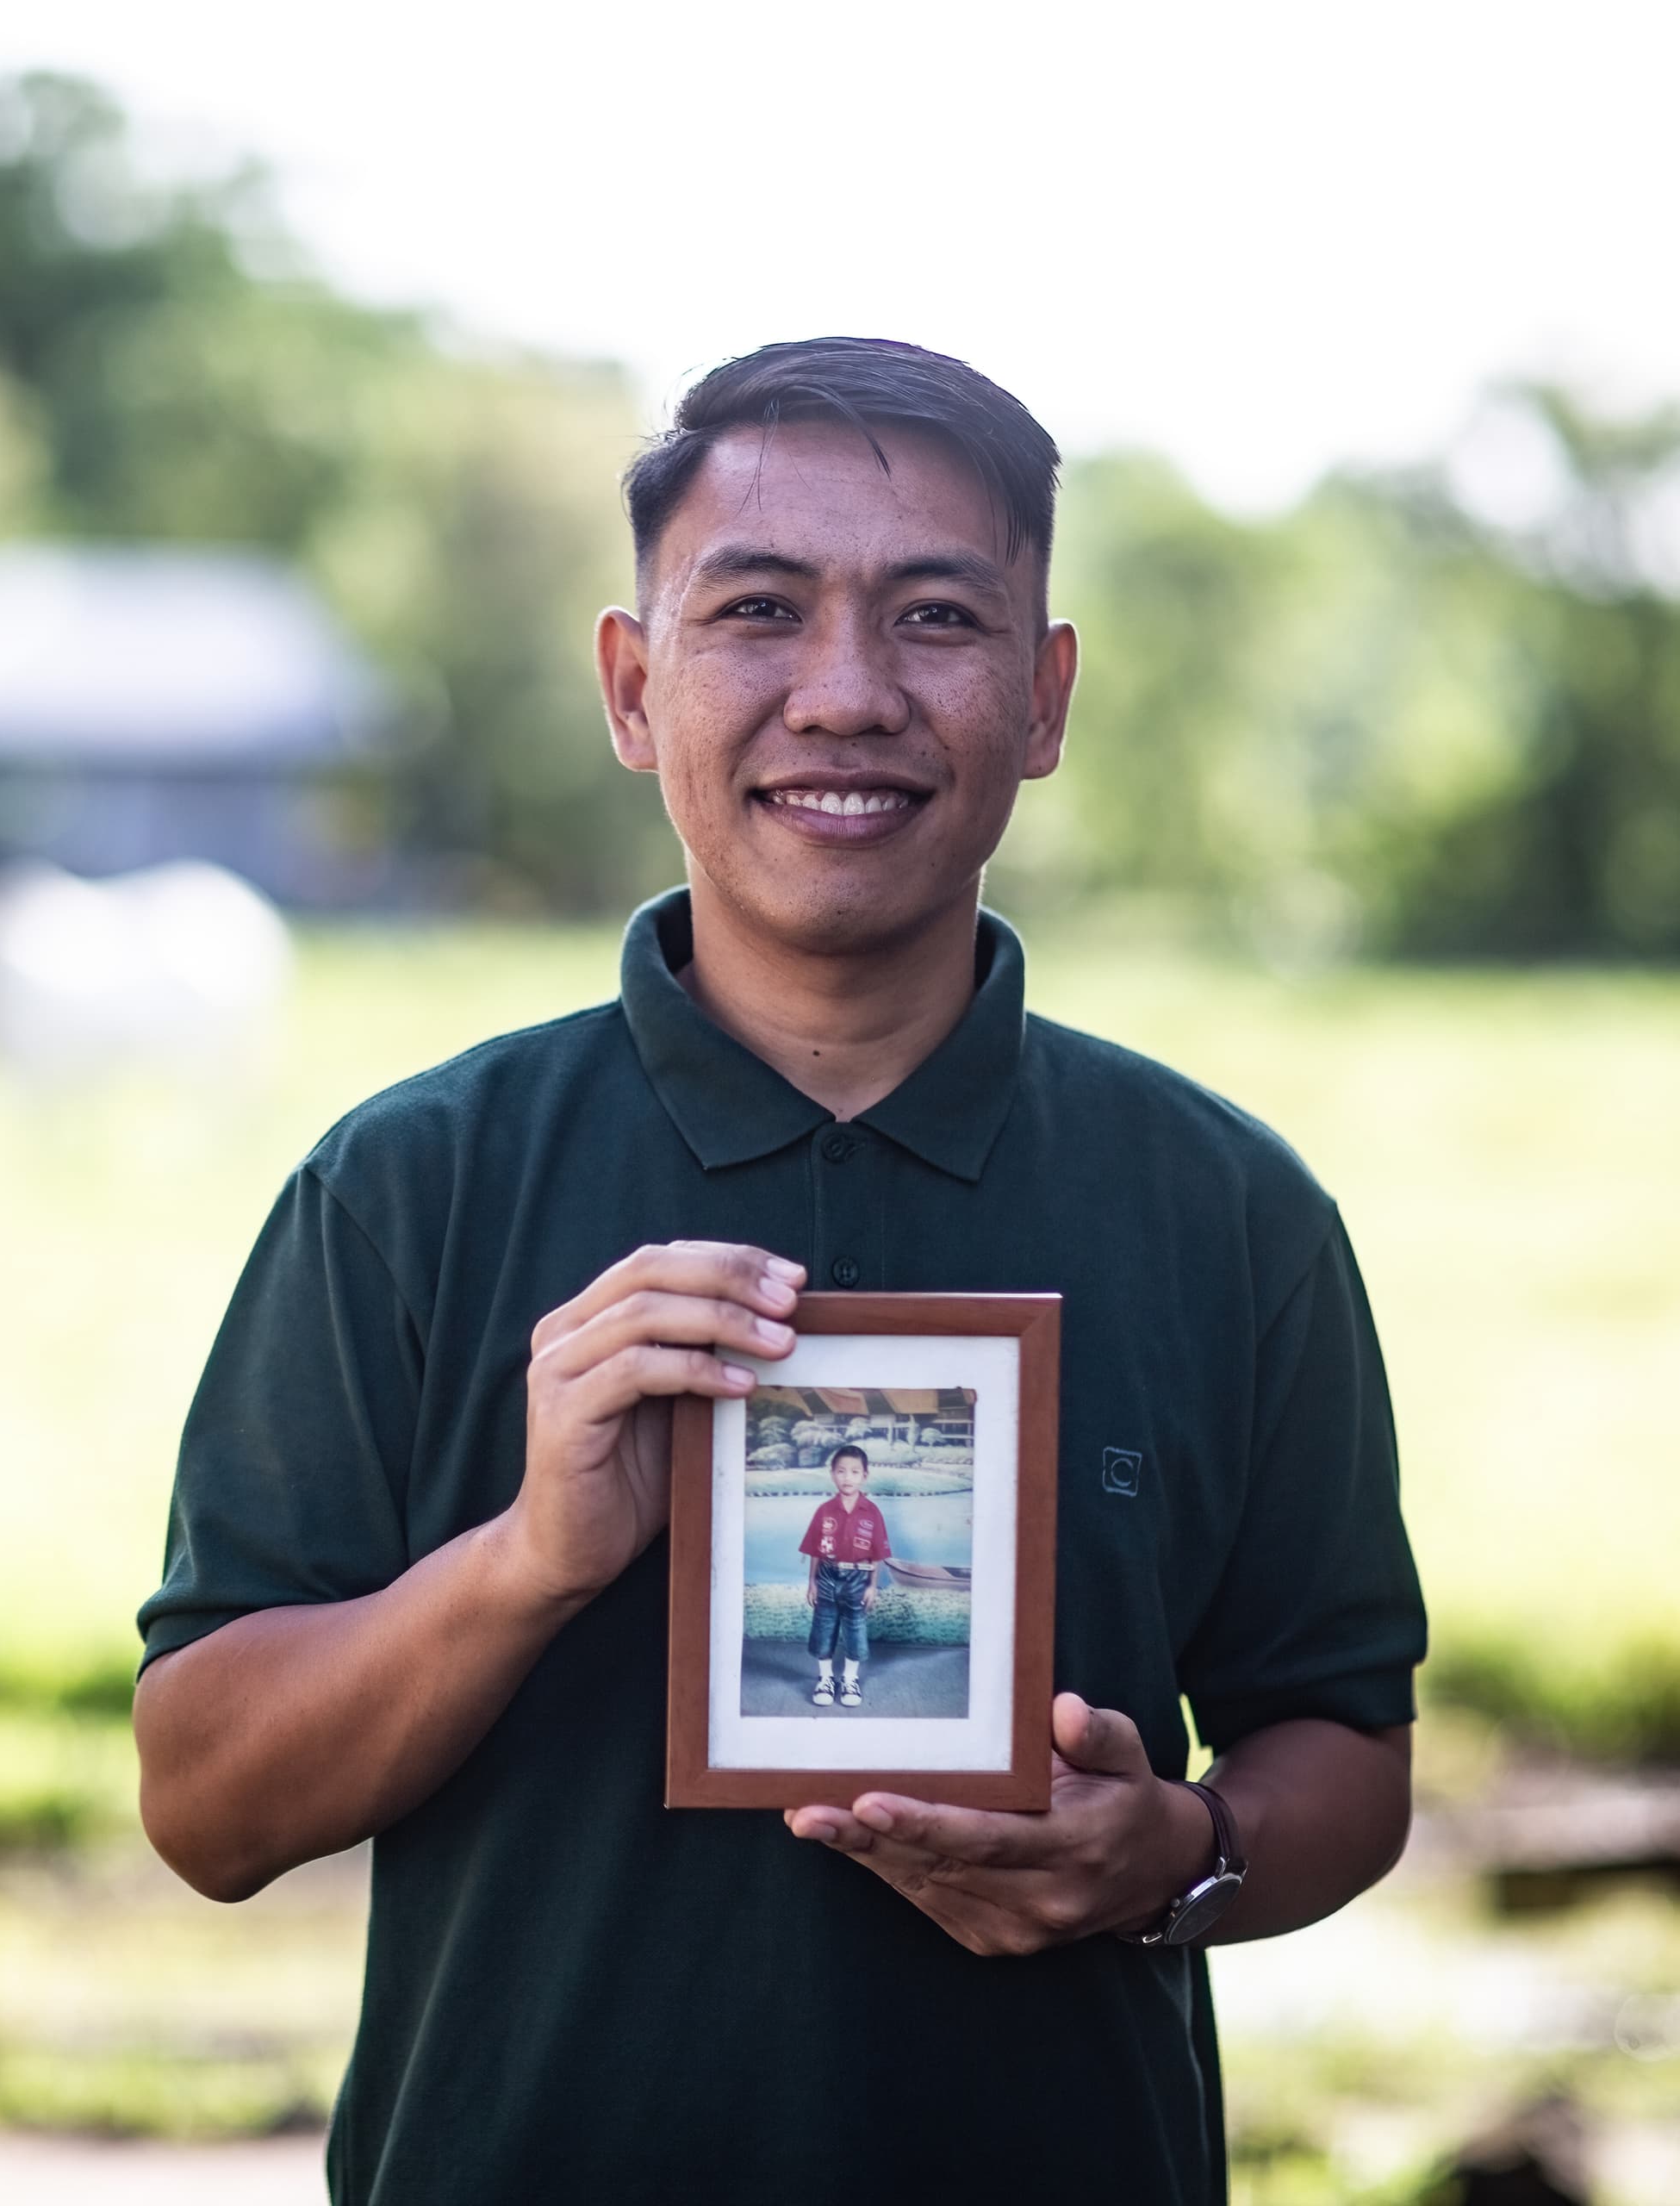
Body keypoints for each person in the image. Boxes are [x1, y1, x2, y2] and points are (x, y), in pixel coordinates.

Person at [134, 336, 1423, 2203]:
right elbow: (206, 1805)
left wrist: (1179, 1848)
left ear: (1045, 695)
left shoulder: (1227, 1209)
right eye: (757, 610)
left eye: (935, 618)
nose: (847, 693)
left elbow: (1351, 1757)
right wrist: (527, 1559)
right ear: (634, 687)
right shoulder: (408, 1187)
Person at [798, 1442, 892, 1705]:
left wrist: (872, 1586)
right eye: (841, 1471)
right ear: (832, 1474)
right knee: (824, 1625)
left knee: (855, 1627)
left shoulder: (872, 1513)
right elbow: (815, 1550)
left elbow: (877, 1554)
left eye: (854, 1472)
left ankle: (850, 1680)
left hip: (857, 1579)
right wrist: (812, 1582)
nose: (847, 1477)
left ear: (865, 1476)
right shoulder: (824, 1511)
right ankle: (826, 1679)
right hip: (827, 1576)